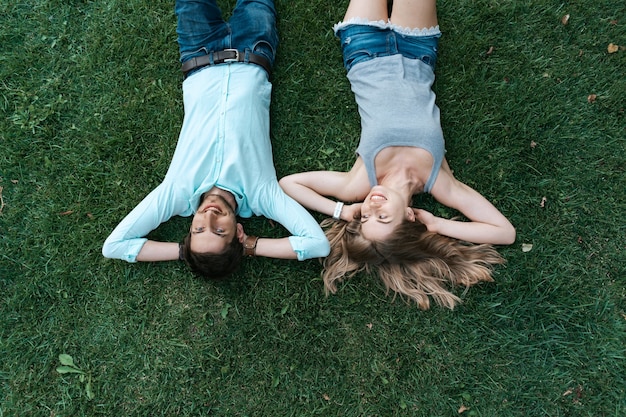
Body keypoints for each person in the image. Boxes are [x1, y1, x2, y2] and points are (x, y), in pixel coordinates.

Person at [279, 0, 516, 310]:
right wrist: (437, 225)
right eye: (383, 217)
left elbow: (289, 184)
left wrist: (341, 211)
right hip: (418, 49)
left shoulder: (359, 183)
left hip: (363, 48)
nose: (371, 207)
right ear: (407, 216)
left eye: (364, 217)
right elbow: (505, 233)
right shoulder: (440, 183)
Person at [103, 0, 330, 278]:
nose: (209, 216)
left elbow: (114, 246)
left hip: (198, 52)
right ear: (238, 231)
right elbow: (317, 244)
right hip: (253, 48)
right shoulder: (261, 194)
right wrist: (250, 246)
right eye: (220, 230)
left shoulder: (177, 192)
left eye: (198, 229)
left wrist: (184, 251)